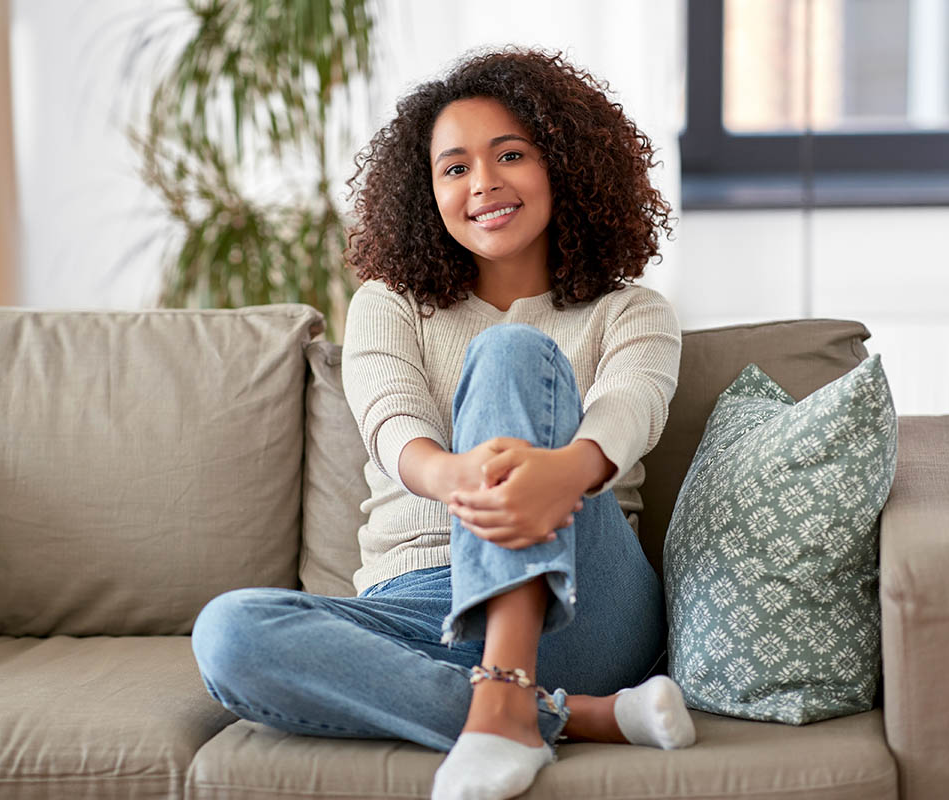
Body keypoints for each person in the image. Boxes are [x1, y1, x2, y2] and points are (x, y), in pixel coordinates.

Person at [191, 47, 696, 800]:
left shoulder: (631, 311)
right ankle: (561, 717)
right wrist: (453, 476)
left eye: (511, 155)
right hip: (421, 609)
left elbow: (632, 405)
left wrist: (570, 470)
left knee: (509, 353)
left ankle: (504, 700)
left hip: (585, 603)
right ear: (426, 193)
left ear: (564, 164)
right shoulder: (389, 305)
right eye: (454, 168)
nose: (483, 184)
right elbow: (391, 422)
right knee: (228, 633)